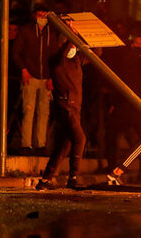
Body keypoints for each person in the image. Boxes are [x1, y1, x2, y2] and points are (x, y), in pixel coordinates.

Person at [36, 36, 93, 190]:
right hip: (65, 105)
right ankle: (73, 177)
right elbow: (62, 56)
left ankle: (45, 179)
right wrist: (70, 37)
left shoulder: (77, 60)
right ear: (62, 45)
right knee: (80, 139)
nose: (74, 48)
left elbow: (96, 53)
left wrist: (86, 34)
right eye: (70, 44)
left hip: (74, 107)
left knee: (65, 144)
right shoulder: (56, 61)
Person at [106, 35, 141, 184]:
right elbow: (119, 80)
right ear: (132, 44)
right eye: (137, 43)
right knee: (111, 135)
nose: (139, 45)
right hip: (124, 105)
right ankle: (111, 166)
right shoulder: (126, 59)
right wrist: (113, 103)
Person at [11, 3, 59, 155]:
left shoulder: (52, 33)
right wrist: (24, 70)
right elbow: (16, 53)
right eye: (40, 15)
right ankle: (26, 144)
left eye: (45, 15)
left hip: (46, 78)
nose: (42, 18)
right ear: (34, 15)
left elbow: (55, 57)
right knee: (29, 110)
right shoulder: (26, 31)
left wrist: (52, 77)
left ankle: (41, 144)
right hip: (30, 77)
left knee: (44, 113)